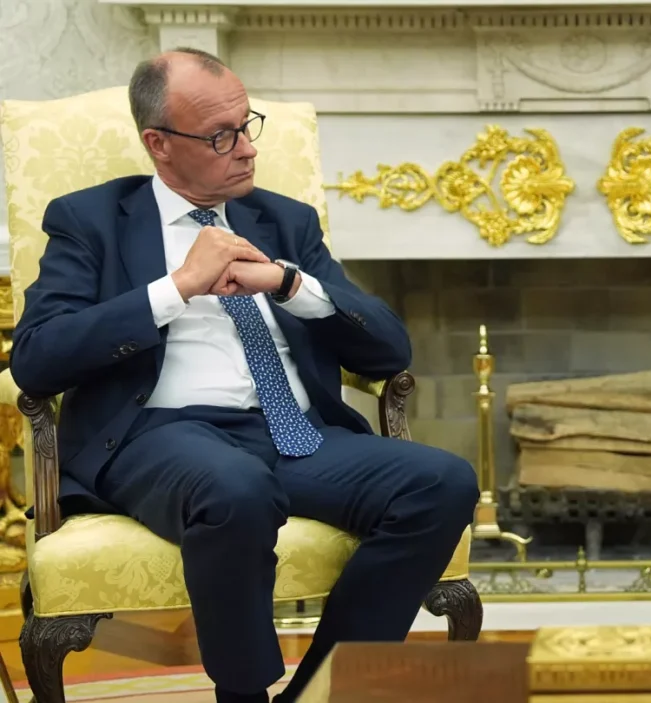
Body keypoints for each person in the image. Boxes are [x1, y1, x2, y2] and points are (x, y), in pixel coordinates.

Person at [9, 48, 479, 703]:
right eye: (220, 136)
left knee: (442, 481)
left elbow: (389, 349)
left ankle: (321, 692)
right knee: (236, 487)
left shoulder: (285, 220)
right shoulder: (91, 221)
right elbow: (36, 356)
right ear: (159, 144)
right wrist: (176, 288)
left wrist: (290, 284)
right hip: (160, 436)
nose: (248, 149)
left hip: (294, 433)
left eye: (246, 125)